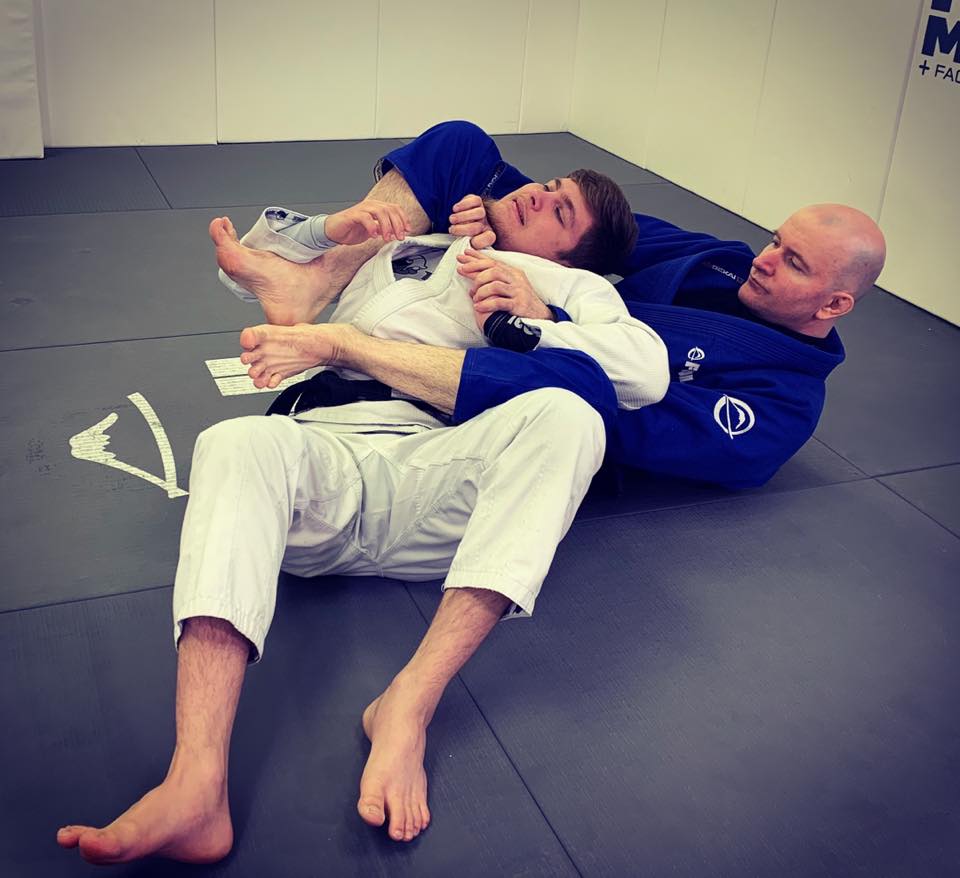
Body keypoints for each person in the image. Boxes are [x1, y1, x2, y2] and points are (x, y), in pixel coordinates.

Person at [56, 168, 669, 864]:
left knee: (570, 417)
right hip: (323, 462)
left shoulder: (568, 286)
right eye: (551, 184)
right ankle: (196, 782)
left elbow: (645, 372)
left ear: (573, 255)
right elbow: (253, 270)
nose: (541, 196)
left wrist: (538, 319)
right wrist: (333, 230)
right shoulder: (419, 238)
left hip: (440, 477)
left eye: (563, 212)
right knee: (232, 442)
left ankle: (408, 704)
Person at [228, 120, 886, 490]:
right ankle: (314, 280)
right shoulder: (724, 263)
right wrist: (488, 216)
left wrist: (546, 323)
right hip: (544, 297)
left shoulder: (778, 409)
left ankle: (360, 356)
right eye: (776, 240)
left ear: (834, 304)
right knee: (458, 147)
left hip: (533, 372)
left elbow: (616, 410)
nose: (765, 259)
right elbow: (607, 233)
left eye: (793, 262)